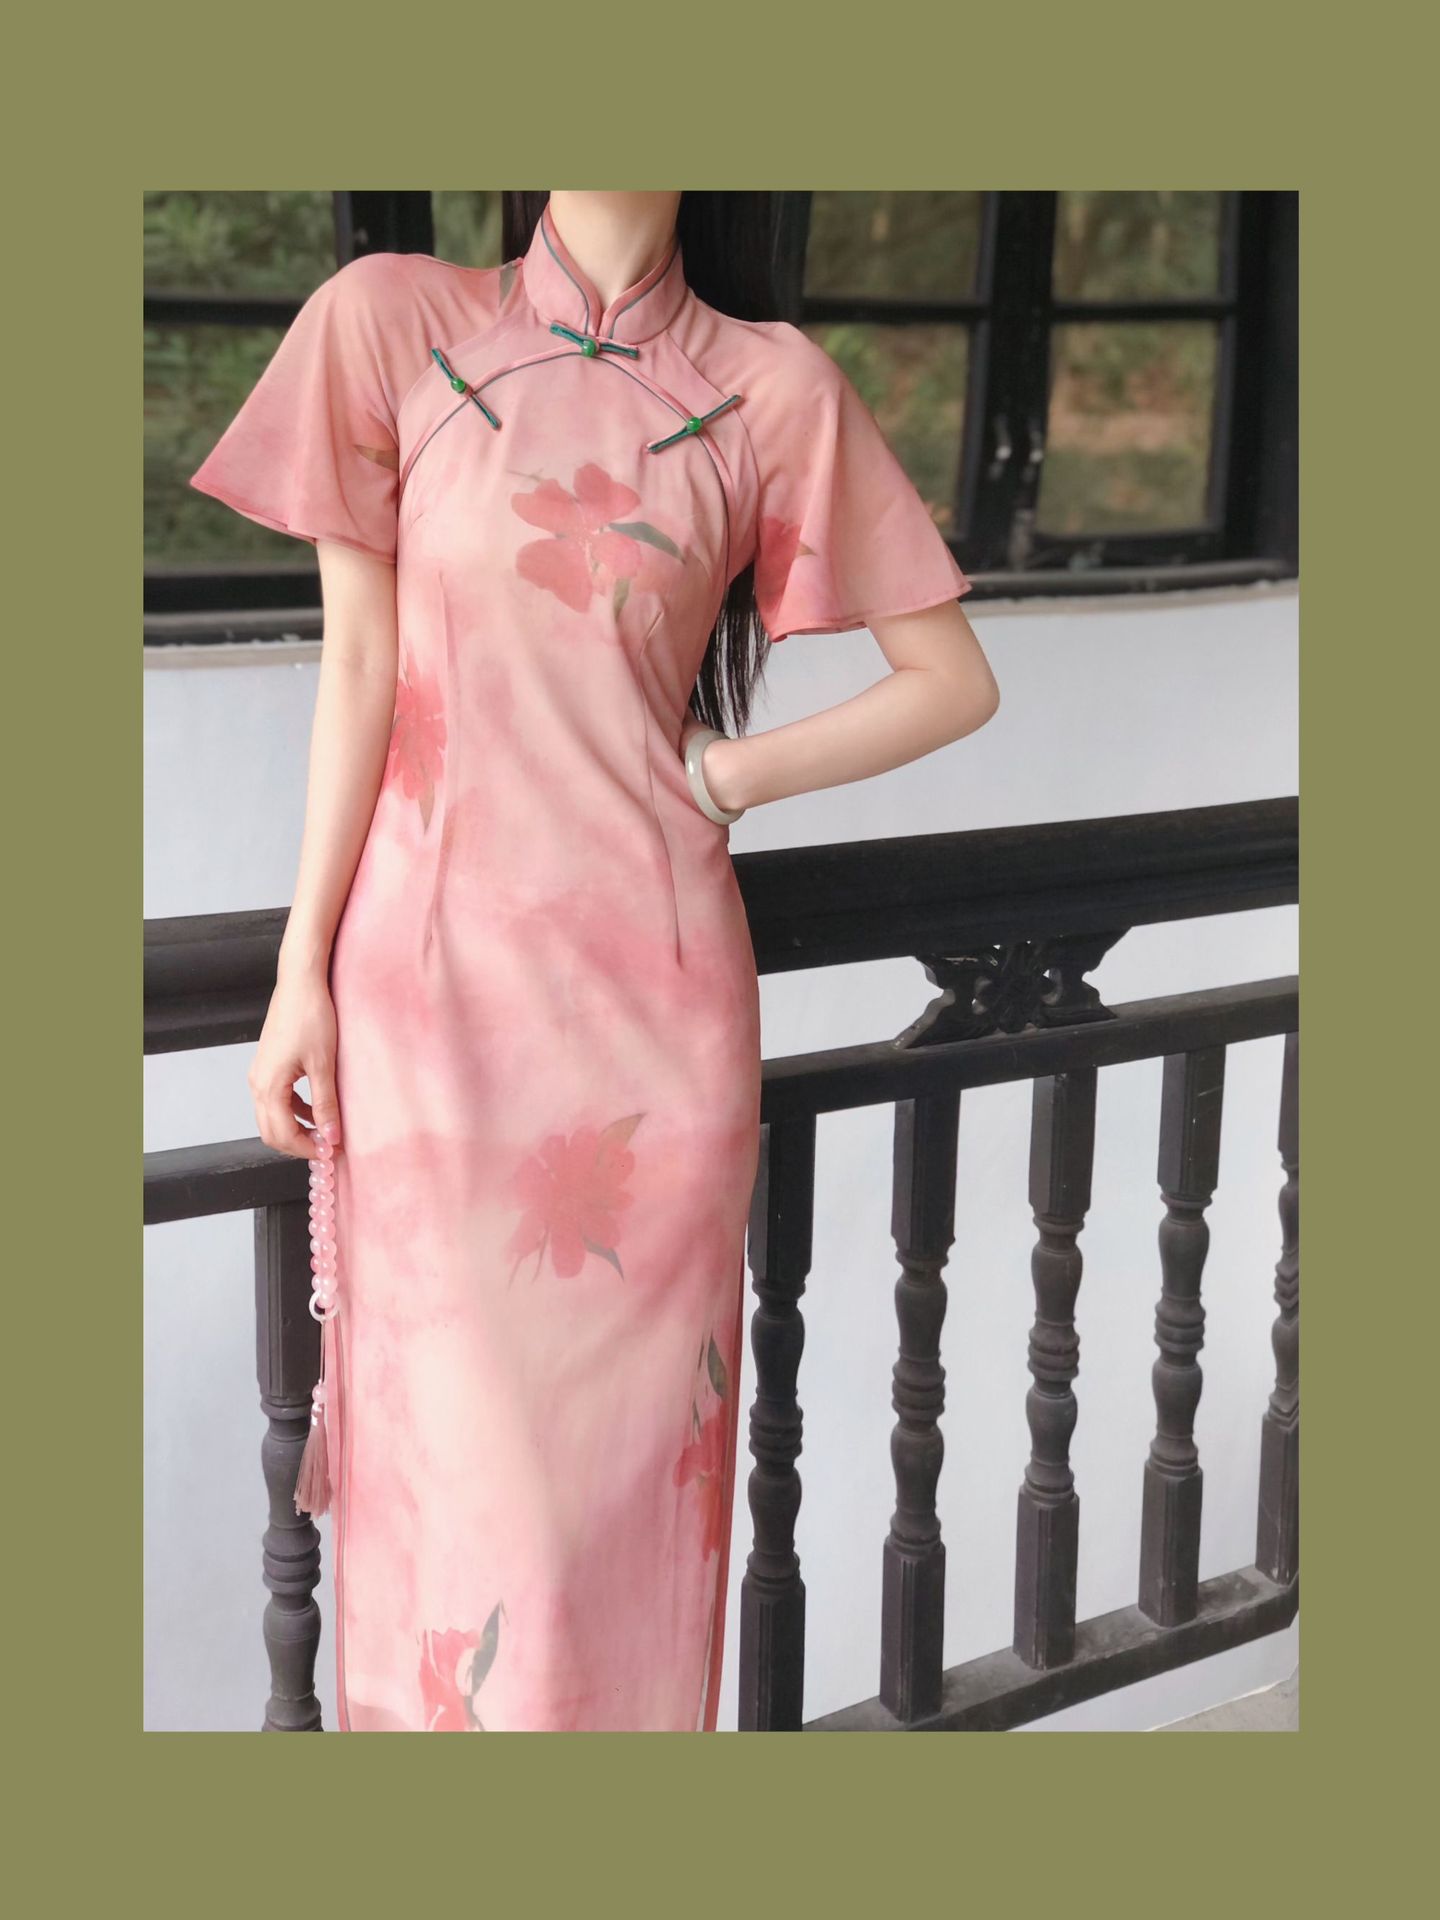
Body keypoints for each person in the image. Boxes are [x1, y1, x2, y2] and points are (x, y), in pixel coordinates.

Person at [188, 189, 1000, 1733]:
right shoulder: (395, 325)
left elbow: (950, 679)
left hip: (653, 1036)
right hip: (432, 1009)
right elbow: (359, 666)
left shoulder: (767, 387)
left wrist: (724, 775)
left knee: (609, 1542)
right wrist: (302, 973)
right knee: (461, 1511)